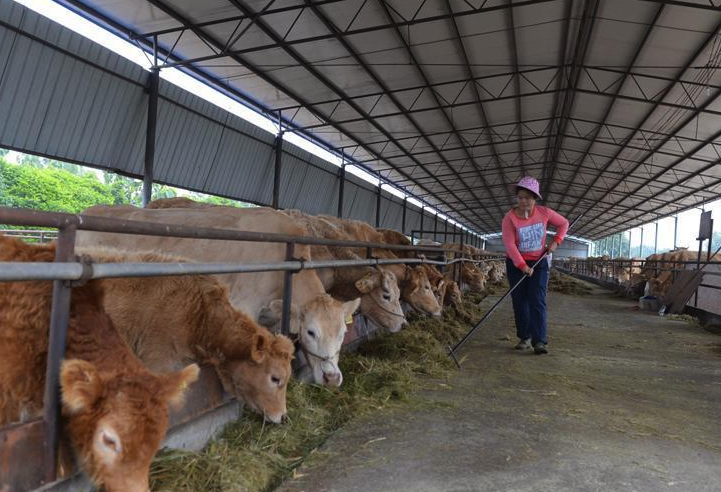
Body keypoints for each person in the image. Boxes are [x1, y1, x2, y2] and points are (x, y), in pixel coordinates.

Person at [502, 176, 569, 355]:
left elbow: (564, 224)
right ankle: (525, 337)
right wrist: (522, 266)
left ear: (535, 198)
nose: (524, 201)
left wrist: (556, 242)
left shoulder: (544, 213)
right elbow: (509, 245)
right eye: (520, 197)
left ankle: (540, 341)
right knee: (519, 300)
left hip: (539, 261)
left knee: (537, 299)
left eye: (528, 197)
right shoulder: (509, 218)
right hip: (516, 263)